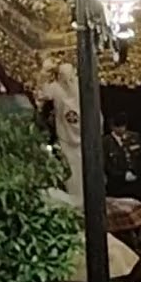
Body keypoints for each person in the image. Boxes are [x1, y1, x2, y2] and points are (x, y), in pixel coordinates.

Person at [37, 61, 84, 205]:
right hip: (66, 138)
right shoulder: (56, 89)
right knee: (72, 171)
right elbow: (42, 94)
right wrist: (44, 73)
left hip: (83, 139)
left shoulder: (79, 87)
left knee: (82, 170)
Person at [102, 112, 141, 199]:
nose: (122, 129)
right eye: (118, 127)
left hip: (135, 184)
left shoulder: (135, 137)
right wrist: (122, 176)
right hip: (117, 187)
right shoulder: (106, 142)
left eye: (123, 126)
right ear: (112, 127)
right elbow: (106, 165)